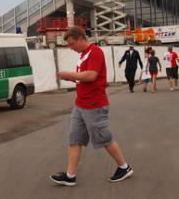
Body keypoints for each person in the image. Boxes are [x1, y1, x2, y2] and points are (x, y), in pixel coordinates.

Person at [50, 26, 133, 186]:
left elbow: (91, 75)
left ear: (80, 39)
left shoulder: (95, 52)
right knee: (75, 138)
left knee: (104, 138)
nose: (71, 47)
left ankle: (124, 167)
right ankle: (70, 175)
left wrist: (69, 75)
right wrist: (71, 79)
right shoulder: (84, 55)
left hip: (94, 104)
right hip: (81, 103)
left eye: (72, 43)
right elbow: (83, 77)